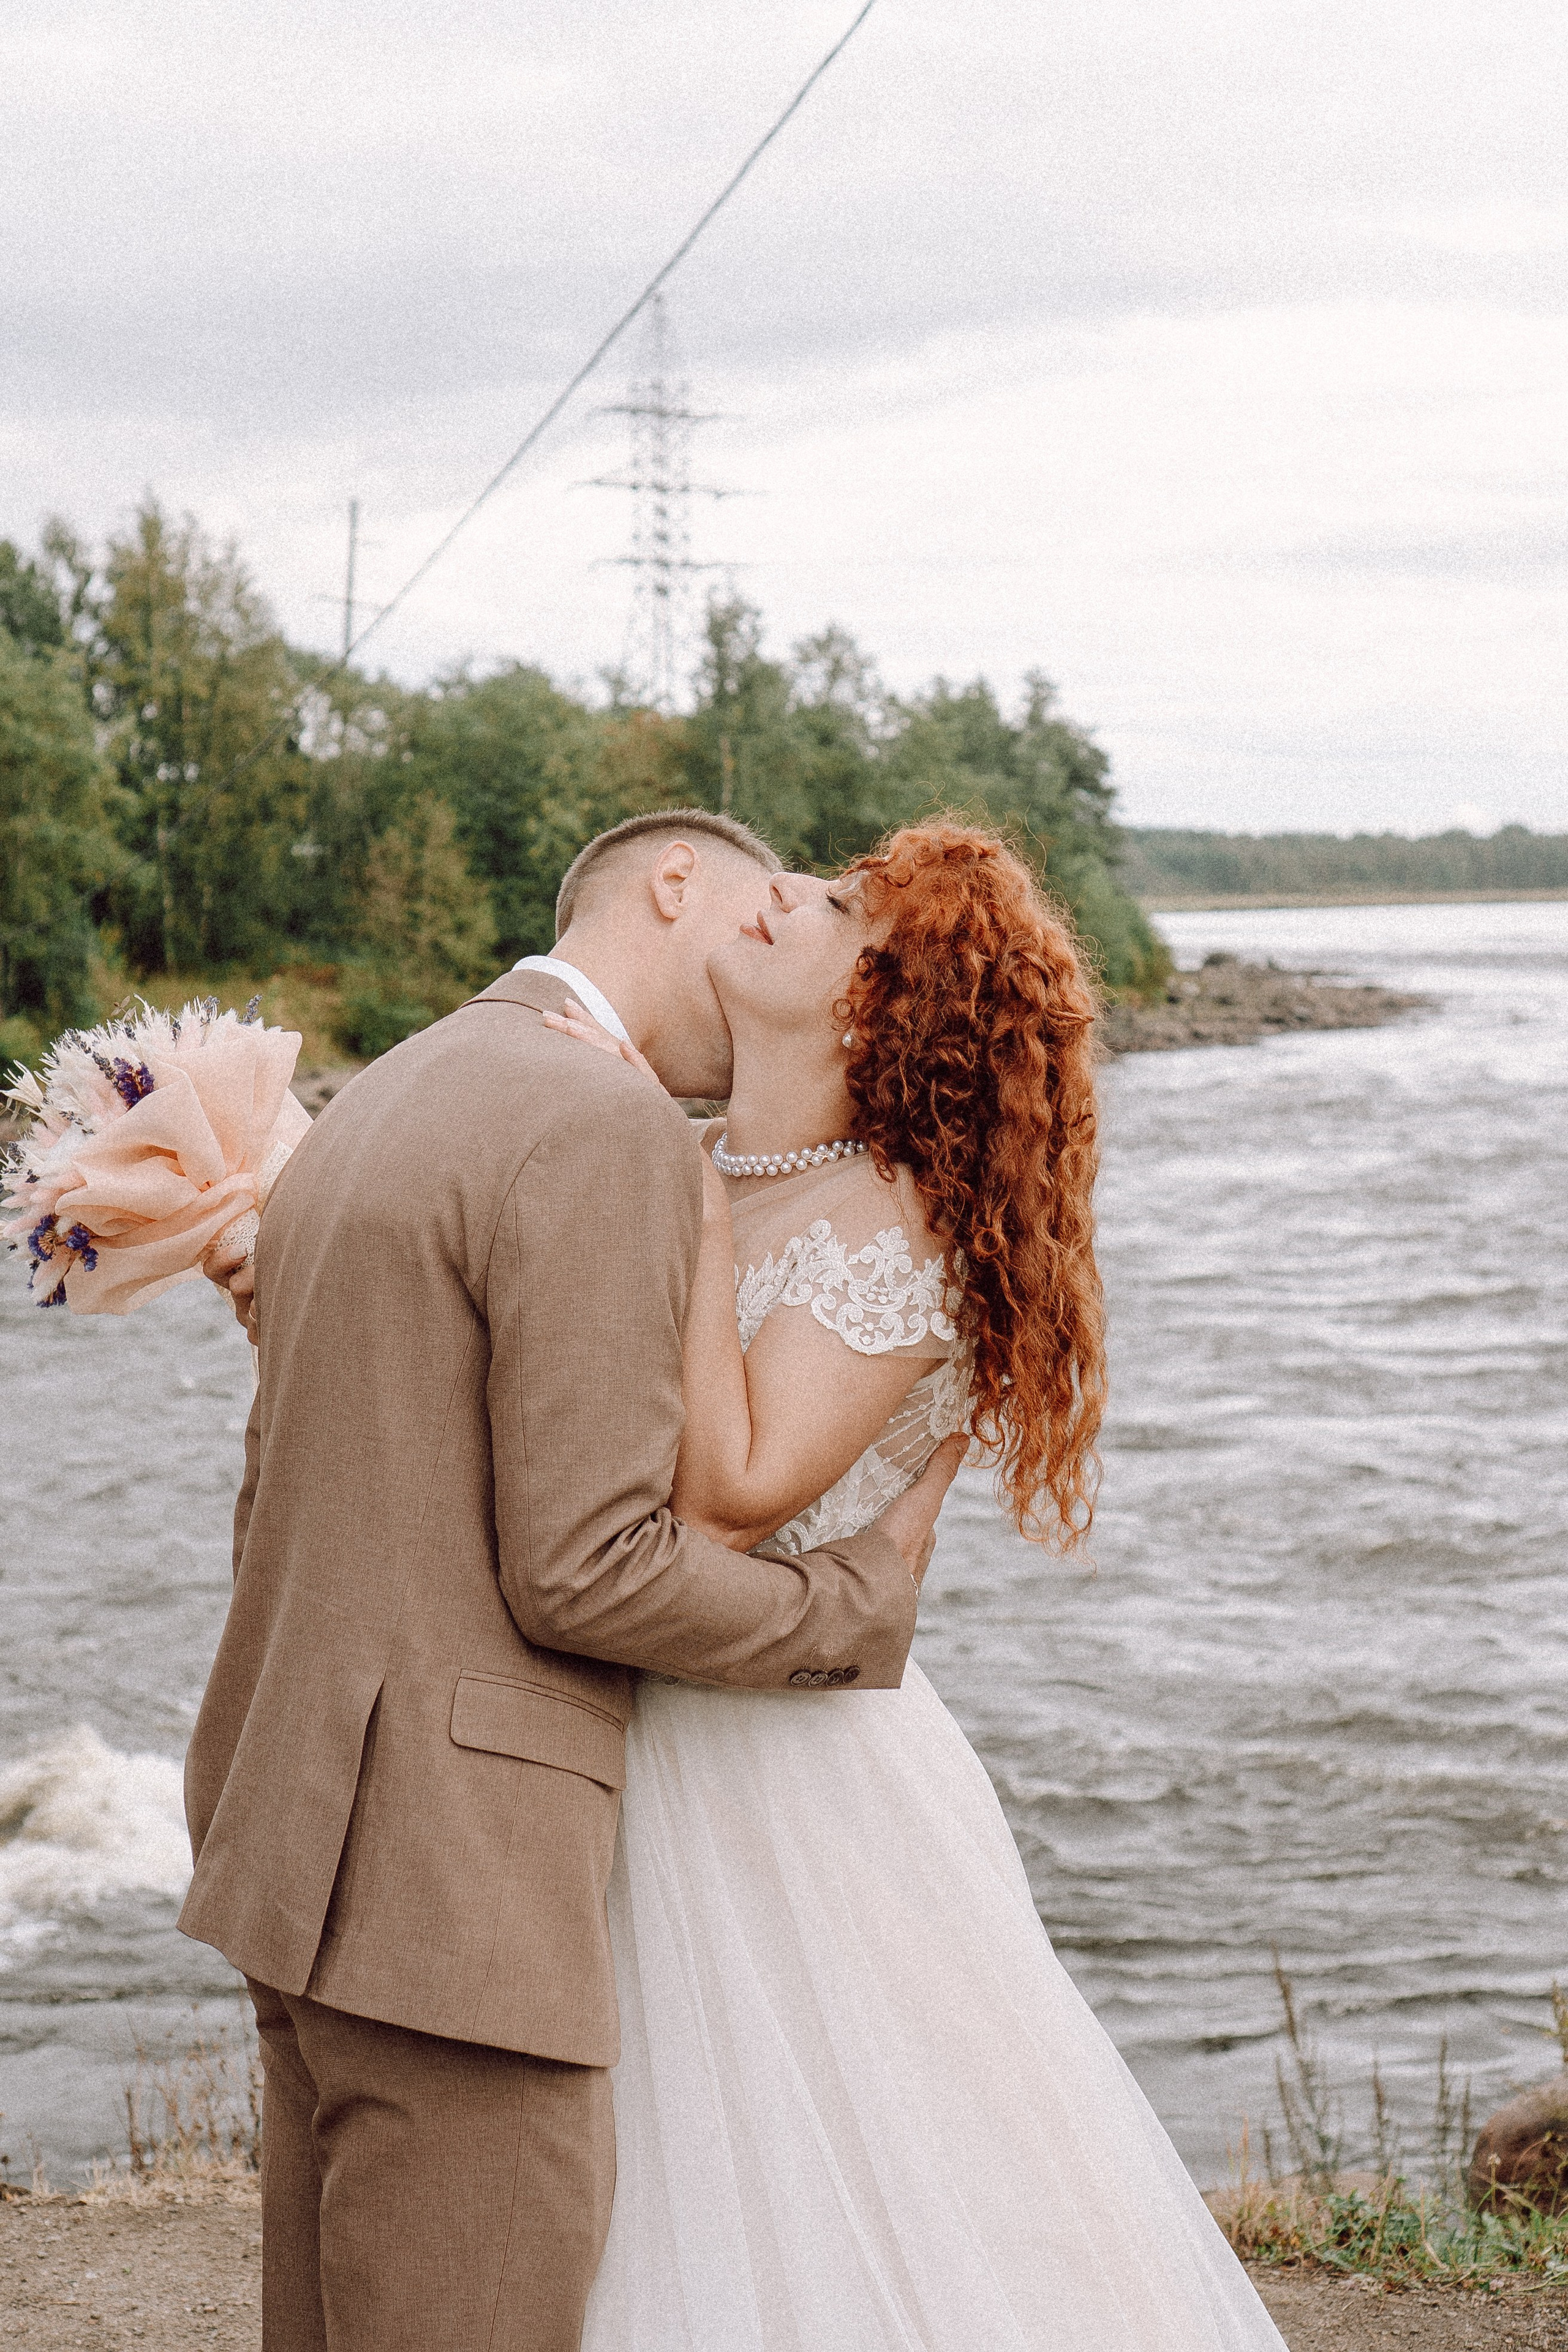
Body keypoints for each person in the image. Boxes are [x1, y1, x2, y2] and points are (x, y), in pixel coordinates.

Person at [185, 807, 962, 2352]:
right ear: (679, 883)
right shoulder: (600, 1126)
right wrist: (849, 1616)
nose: (779, 928)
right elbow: (589, 1571)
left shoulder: (386, 1091)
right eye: (773, 900)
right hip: (450, 1900)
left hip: (303, 1847)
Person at [545, 820, 1289, 2351]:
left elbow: (728, 1491)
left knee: (876, 2184)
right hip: (627, 1738)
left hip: (793, 1783)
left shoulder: (893, 1228)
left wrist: (670, 1193)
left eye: (833, 909)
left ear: (885, 1006)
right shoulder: (698, 1161)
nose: (782, 900)